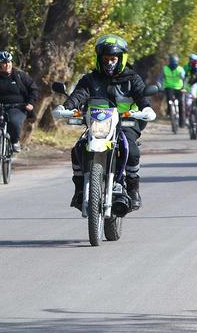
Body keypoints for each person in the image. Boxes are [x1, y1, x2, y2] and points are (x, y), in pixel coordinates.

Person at [54, 35, 156, 214]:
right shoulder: (90, 79)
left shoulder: (132, 78)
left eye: (113, 59)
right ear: (99, 59)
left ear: (121, 59)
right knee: (78, 149)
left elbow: (142, 96)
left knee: (131, 150)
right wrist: (66, 107)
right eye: (106, 59)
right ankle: (79, 189)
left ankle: (133, 188)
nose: (109, 63)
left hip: (126, 123)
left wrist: (146, 109)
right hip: (97, 123)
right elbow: (79, 95)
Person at [0, 50, 38, 173]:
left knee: (14, 122)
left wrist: (30, 103)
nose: (7, 65)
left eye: (9, 62)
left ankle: (15, 141)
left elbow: (33, 89)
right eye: (4, 63)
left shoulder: (20, 76)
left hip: (17, 107)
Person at [161, 54, 186, 126]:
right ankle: (169, 112)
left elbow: (184, 79)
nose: (174, 65)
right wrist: (160, 86)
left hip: (179, 88)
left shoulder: (180, 69)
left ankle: (182, 123)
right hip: (168, 87)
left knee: (181, 103)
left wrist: (184, 87)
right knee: (169, 99)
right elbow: (160, 78)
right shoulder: (165, 68)